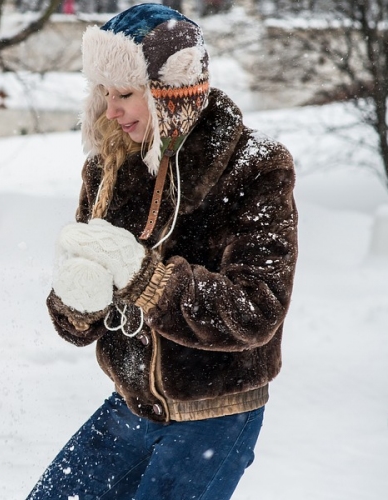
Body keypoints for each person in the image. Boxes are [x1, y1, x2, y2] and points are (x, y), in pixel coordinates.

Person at [27, 4, 298, 500]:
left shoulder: (253, 168)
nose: (111, 110)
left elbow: (256, 310)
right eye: (104, 93)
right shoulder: (108, 166)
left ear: (172, 93)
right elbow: (76, 323)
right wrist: (76, 303)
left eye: (126, 94)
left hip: (215, 415)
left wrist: (147, 281)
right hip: (131, 403)